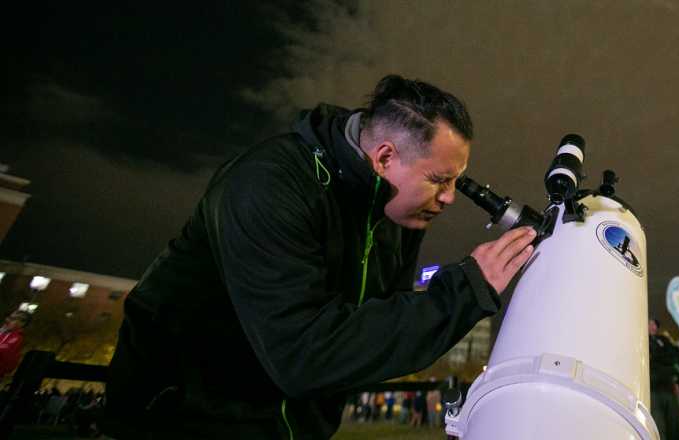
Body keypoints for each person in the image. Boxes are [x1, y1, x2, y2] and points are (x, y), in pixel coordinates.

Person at [102, 75, 536, 439]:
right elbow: (304, 354)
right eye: (440, 180)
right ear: (384, 157)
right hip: (183, 423)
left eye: (457, 182)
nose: (449, 198)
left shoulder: (395, 215)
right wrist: (463, 292)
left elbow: (373, 337)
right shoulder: (268, 185)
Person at [648, 319, 679, 440]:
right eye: (649, 323)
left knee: (674, 425)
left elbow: (675, 356)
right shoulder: (642, 341)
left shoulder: (664, 340)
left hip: (669, 388)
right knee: (659, 426)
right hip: (654, 390)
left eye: (654, 324)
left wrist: (657, 356)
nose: (652, 326)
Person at [0, 311, 30, 379]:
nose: (13, 321)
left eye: (20, 320)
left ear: (23, 324)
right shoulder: (2, 332)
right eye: (11, 318)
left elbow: (5, 352)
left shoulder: (18, 338)